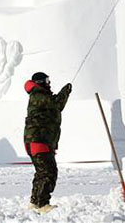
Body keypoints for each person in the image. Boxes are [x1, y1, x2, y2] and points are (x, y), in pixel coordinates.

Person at [24, 72, 72, 213]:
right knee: (49, 172)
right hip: (38, 140)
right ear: (40, 82)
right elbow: (57, 104)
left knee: (42, 172)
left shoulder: (39, 94)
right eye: (46, 80)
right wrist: (65, 92)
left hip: (38, 140)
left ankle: (35, 202)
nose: (49, 83)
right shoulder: (38, 94)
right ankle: (42, 204)